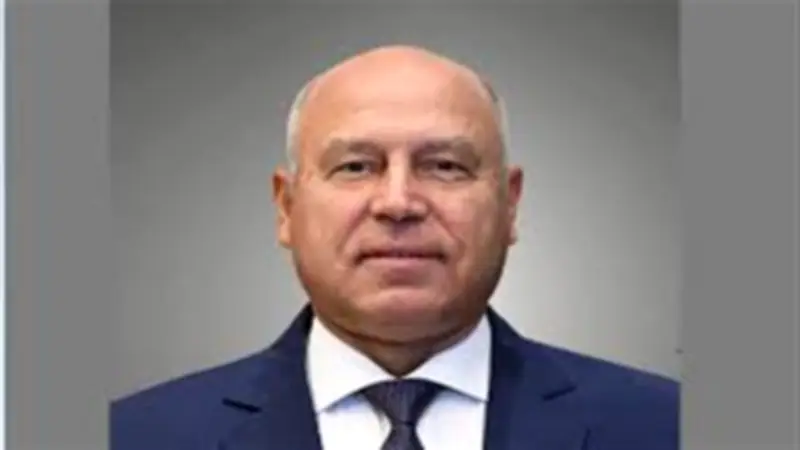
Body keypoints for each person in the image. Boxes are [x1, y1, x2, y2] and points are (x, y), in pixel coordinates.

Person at [111, 45, 679, 450]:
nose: (398, 202)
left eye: (445, 166)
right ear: (287, 207)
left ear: (509, 205)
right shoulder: (132, 436)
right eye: (356, 167)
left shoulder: (669, 428)